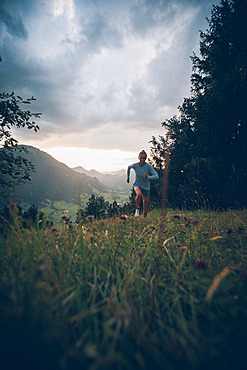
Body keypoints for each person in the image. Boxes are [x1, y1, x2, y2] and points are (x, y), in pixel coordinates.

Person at [127, 150, 159, 217]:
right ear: (138, 158)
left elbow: (156, 176)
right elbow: (129, 167)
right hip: (137, 184)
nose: (142, 159)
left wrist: (148, 177)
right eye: (141, 157)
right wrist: (128, 177)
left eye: (144, 158)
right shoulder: (135, 165)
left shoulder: (148, 166)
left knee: (145, 207)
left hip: (146, 187)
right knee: (139, 194)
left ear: (146, 158)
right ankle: (137, 210)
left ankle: (144, 221)